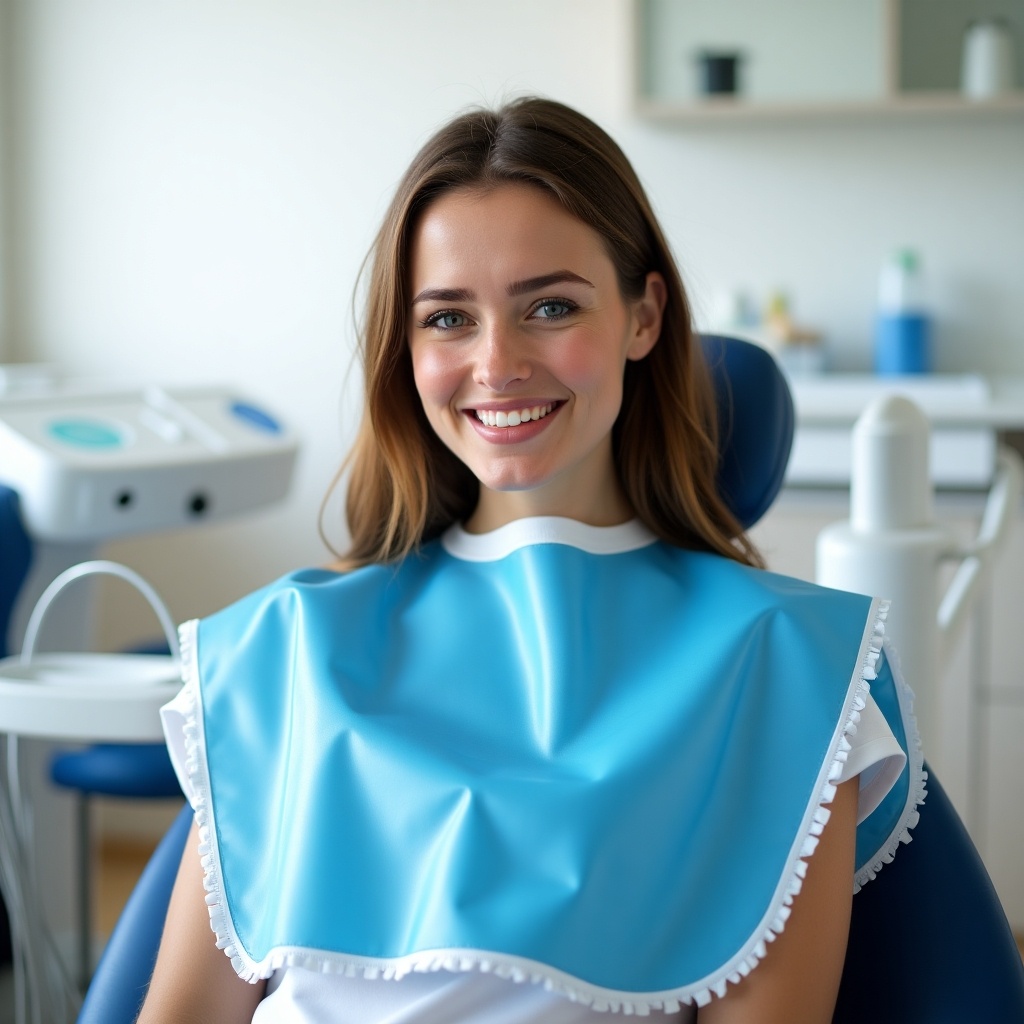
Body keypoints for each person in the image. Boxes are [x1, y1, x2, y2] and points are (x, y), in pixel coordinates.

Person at [138, 97, 923, 1023]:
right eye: (447, 319)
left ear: (643, 316)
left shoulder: (785, 666)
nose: (497, 363)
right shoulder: (283, 649)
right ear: (408, 348)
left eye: (551, 306)